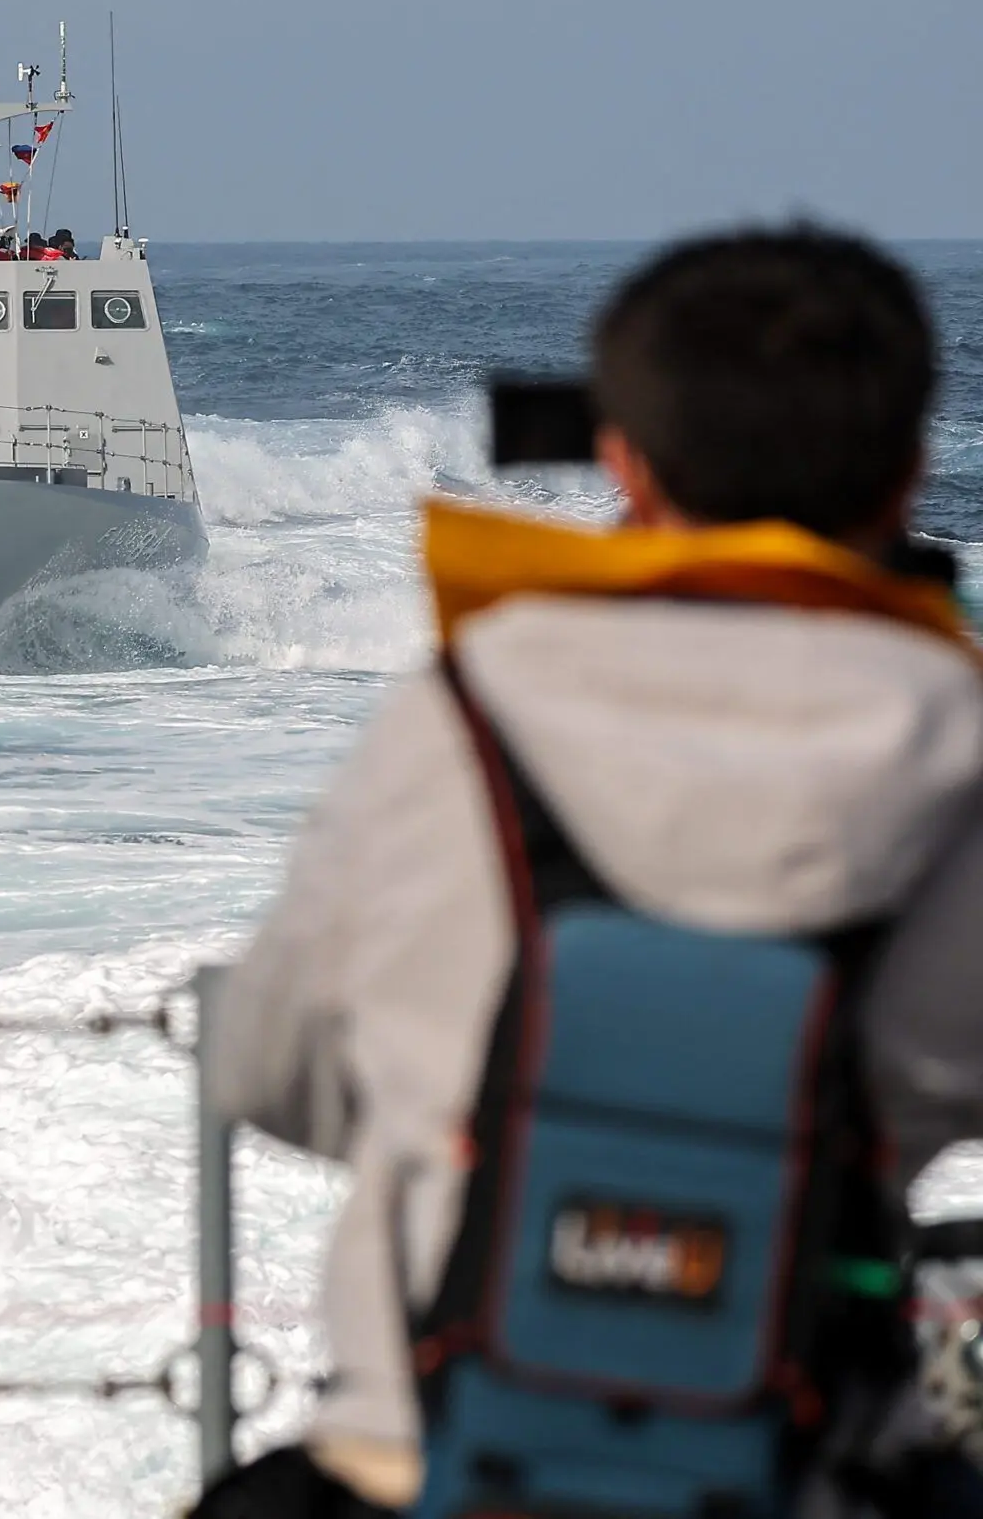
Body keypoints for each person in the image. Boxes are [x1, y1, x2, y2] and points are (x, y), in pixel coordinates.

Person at [200, 226, 983, 1517]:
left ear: (620, 460)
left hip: (419, 1466)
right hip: (808, 1477)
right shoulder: (960, 752)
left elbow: (260, 1068)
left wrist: (465, 1119)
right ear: (908, 471)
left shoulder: (456, 719)